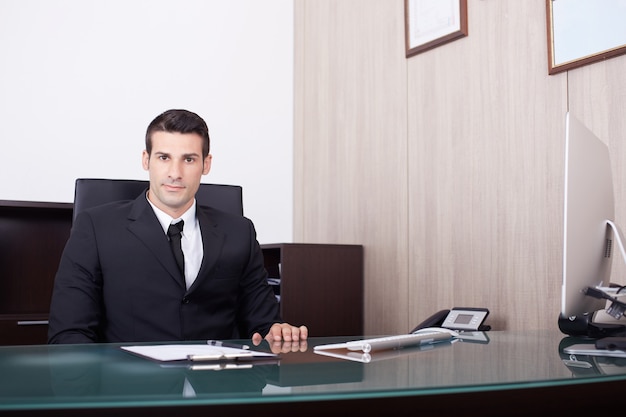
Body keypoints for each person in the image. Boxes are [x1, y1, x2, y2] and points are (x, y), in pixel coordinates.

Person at [48, 109, 308, 347]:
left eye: (189, 159)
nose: (175, 172)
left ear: (206, 164)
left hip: (220, 388)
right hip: (131, 389)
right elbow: (69, 332)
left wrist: (277, 331)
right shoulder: (96, 227)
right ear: (146, 159)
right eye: (163, 157)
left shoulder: (239, 232)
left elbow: (263, 322)